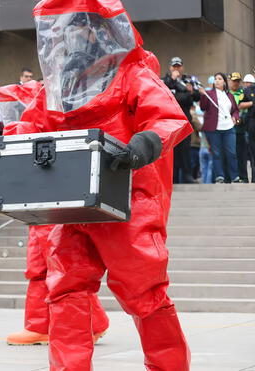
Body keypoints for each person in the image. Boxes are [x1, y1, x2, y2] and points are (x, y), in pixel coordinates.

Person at [28, 1, 192, 368]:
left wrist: (141, 145)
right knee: (66, 290)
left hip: (127, 200)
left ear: (104, 30)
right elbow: (28, 125)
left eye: (81, 27)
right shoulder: (58, 86)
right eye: (66, 29)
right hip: (71, 203)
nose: (72, 36)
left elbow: (165, 117)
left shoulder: (133, 72)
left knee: (145, 293)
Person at [162, 57, 200, 183]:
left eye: (179, 66)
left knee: (185, 149)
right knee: (171, 150)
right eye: (174, 66)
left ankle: (187, 176)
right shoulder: (165, 80)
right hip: (169, 119)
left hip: (184, 119)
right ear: (170, 67)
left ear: (182, 67)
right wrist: (174, 82)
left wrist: (189, 93)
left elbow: (195, 97)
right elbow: (164, 95)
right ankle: (172, 178)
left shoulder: (189, 80)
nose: (176, 69)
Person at [199, 73, 240, 183]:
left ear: (224, 82)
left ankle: (235, 176)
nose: (217, 81)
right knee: (217, 153)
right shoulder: (208, 94)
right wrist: (202, 95)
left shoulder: (229, 95)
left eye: (220, 79)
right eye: (215, 79)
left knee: (231, 153)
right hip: (214, 129)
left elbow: (235, 110)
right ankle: (219, 177)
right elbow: (203, 107)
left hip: (229, 128)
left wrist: (235, 118)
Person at [228, 72, 249, 182]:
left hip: (241, 127)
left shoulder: (243, 92)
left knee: (242, 154)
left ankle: (243, 177)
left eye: (237, 81)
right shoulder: (226, 93)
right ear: (229, 80)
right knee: (231, 153)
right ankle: (231, 176)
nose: (236, 83)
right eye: (234, 81)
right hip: (228, 126)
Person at [239, 73, 255, 181]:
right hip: (252, 121)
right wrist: (252, 103)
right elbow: (240, 105)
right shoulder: (248, 90)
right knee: (253, 150)